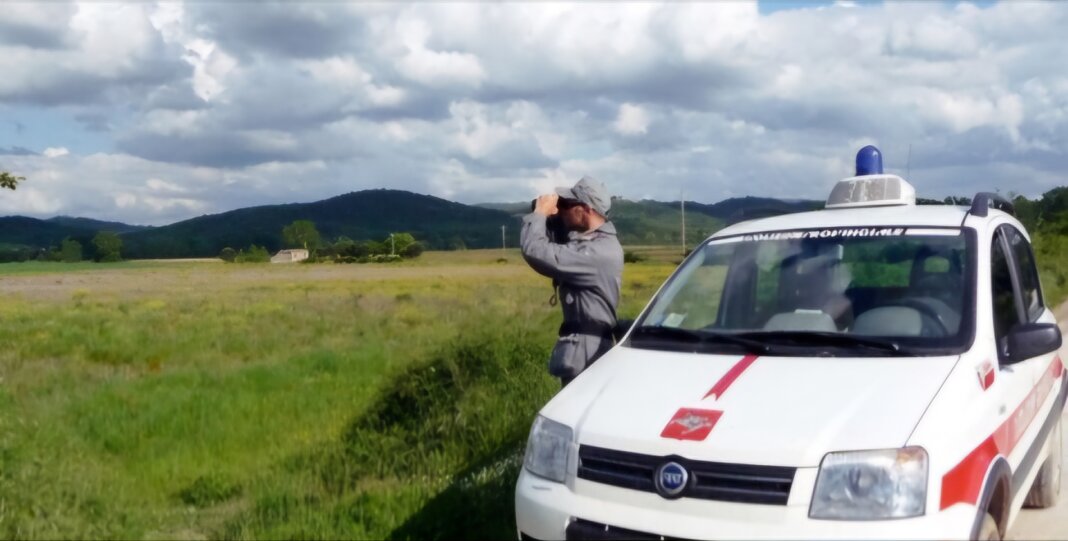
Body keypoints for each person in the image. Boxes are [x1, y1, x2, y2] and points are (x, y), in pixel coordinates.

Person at [521, 176, 624, 387]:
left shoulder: (598, 252)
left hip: (588, 351)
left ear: (586, 209)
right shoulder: (591, 243)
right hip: (583, 347)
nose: (563, 209)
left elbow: (537, 251)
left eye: (568, 204)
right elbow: (562, 244)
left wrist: (539, 214)